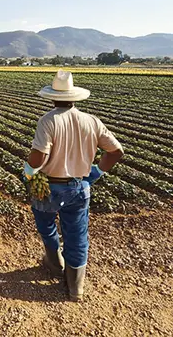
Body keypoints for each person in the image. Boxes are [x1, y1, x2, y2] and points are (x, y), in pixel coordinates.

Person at [24, 71, 124, 301]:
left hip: (49, 187)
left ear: (52, 97)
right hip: (80, 187)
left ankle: (54, 263)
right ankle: (75, 287)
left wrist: (29, 172)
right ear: (74, 97)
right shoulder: (91, 121)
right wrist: (97, 172)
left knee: (46, 225)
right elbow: (116, 151)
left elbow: (39, 157)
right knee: (77, 235)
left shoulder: (48, 120)